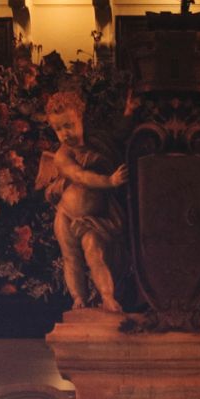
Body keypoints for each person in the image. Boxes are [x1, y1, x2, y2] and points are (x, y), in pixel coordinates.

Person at [37, 88, 127, 315]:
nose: (65, 133)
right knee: (71, 258)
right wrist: (110, 181)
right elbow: (80, 177)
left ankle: (107, 297)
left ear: (81, 118)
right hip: (66, 216)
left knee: (94, 251)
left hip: (91, 218)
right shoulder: (62, 155)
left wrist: (129, 111)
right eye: (58, 129)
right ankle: (78, 298)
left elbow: (120, 135)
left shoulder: (99, 142)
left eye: (69, 125)